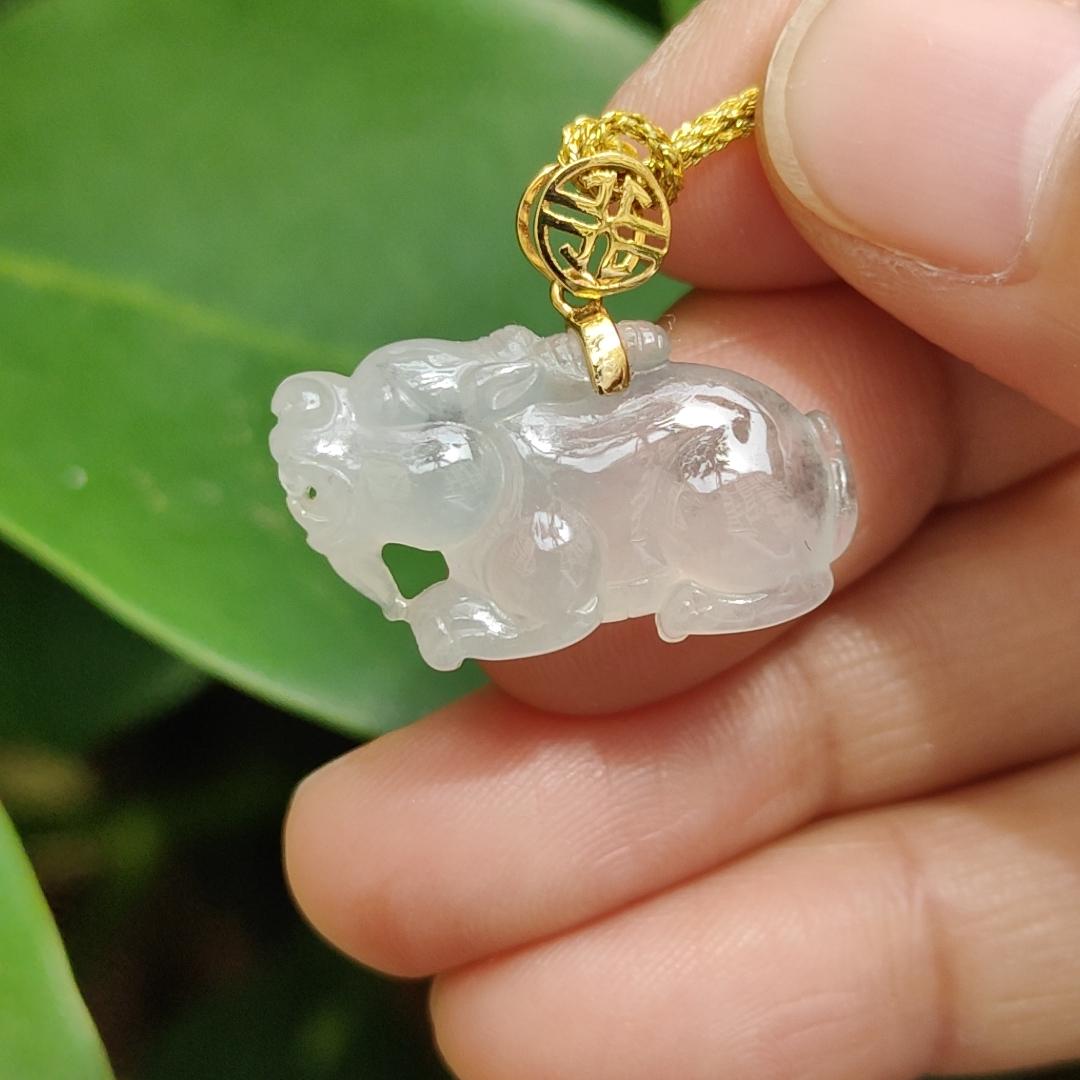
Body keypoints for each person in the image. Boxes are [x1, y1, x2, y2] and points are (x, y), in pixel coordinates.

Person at [283, 0, 1080, 1076]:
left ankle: (761, 579)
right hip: (708, 419)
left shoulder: (523, 510)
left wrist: (462, 615)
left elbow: (558, 601)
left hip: (747, 467)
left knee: (714, 516)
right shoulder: (503, 419)